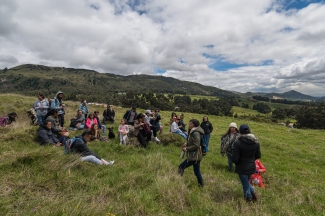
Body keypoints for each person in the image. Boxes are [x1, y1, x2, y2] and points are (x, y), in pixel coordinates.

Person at [232, 124, 261, 202]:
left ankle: (248, 198)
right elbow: (258, 155)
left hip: (242, 167)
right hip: (251, 166)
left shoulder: (237, 142)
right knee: (247, 182)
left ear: (240, 132)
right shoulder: (255, 142)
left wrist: (236, 161)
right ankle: (253, 195)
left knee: (245, 184)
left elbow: (235, 158)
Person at [178, 119, 204, 187]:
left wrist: (187, 148)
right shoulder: (193, 131)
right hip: (196, 156)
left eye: (191, 124)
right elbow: (192, 140)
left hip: (194, 156)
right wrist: (186, 144)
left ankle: (177, 181)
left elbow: (196, 145)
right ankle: (201, 185)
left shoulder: (196, 133)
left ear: (194, 125)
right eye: (189, 124)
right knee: (197, 171)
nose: (189, 125)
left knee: (181, 167)